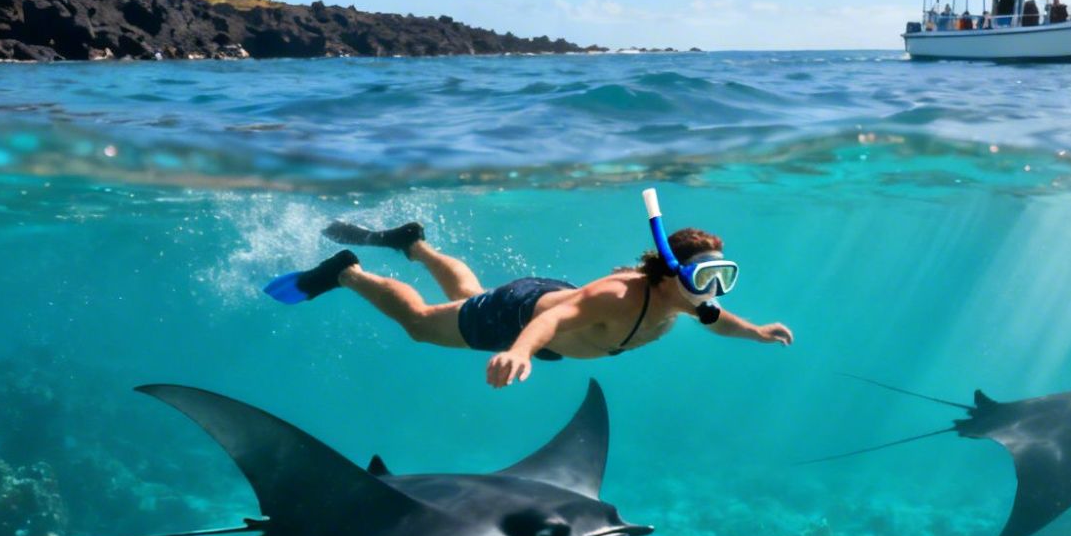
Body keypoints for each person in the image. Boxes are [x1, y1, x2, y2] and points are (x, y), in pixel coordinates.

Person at [262, 191, 793, 388]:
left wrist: (759, 334)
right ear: (672, 272)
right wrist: (519, 352)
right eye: (706, 278)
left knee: (469, 295)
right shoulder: (619, 296)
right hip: (524, 317)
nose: (714, 290)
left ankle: (414, 245)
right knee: (424, 326)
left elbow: (721, 321)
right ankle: (346, 273)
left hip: (544, 301)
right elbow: (552, 323)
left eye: (722, 277)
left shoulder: (687, 301)